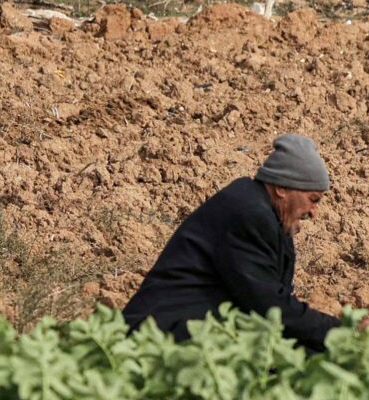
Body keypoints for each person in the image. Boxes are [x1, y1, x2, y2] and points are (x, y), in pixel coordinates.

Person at [122, 133, 343, 352]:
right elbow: (270, 307)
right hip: (156, 338)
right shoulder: (250, 215)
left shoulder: (267, 213)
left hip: (192, 330)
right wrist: (343, 334)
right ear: (282, 189)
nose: (314, 212)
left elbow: (274, 304)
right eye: (313, 200)